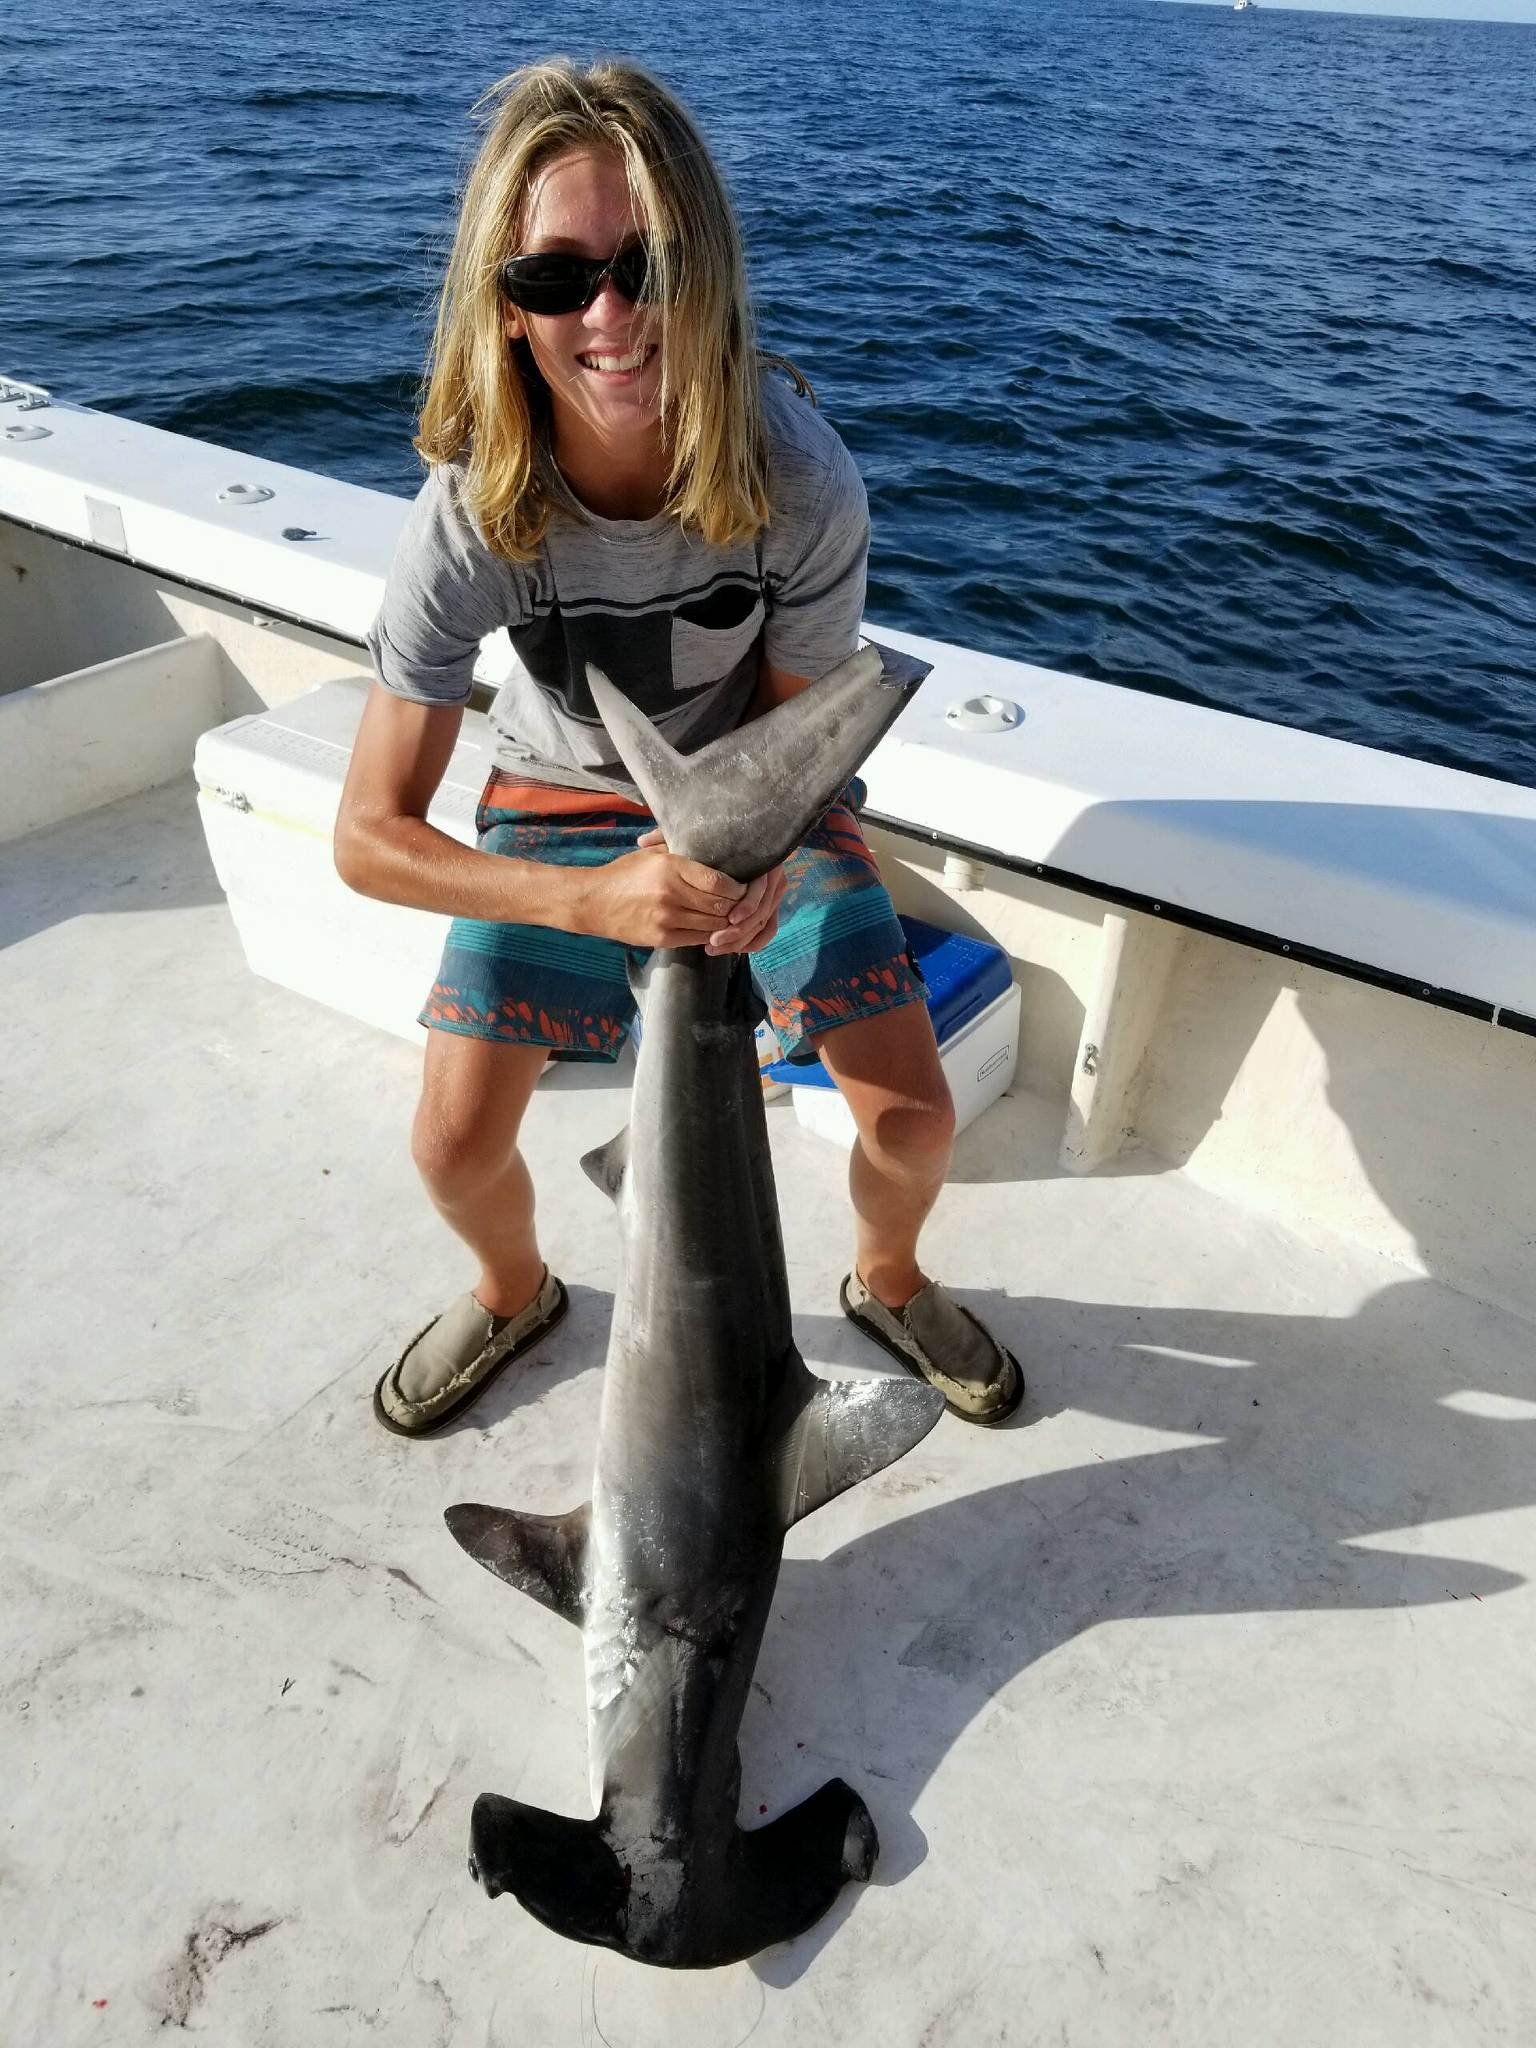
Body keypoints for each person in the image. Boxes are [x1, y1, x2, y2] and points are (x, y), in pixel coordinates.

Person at [335, 57, 1023, 1438]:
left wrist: (751, 864)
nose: (609, 315)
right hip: (553, 803)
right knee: (453, 1144)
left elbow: (790, 733)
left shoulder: (800, 478)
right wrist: (590, 898)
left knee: (915, 1123)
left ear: (708, 266)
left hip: (765, 793)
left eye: (646, 265)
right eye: (555, 280)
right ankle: (516, 1288)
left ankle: (886, 1276)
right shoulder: (470, 513)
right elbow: (370, 836)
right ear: (506, 308)